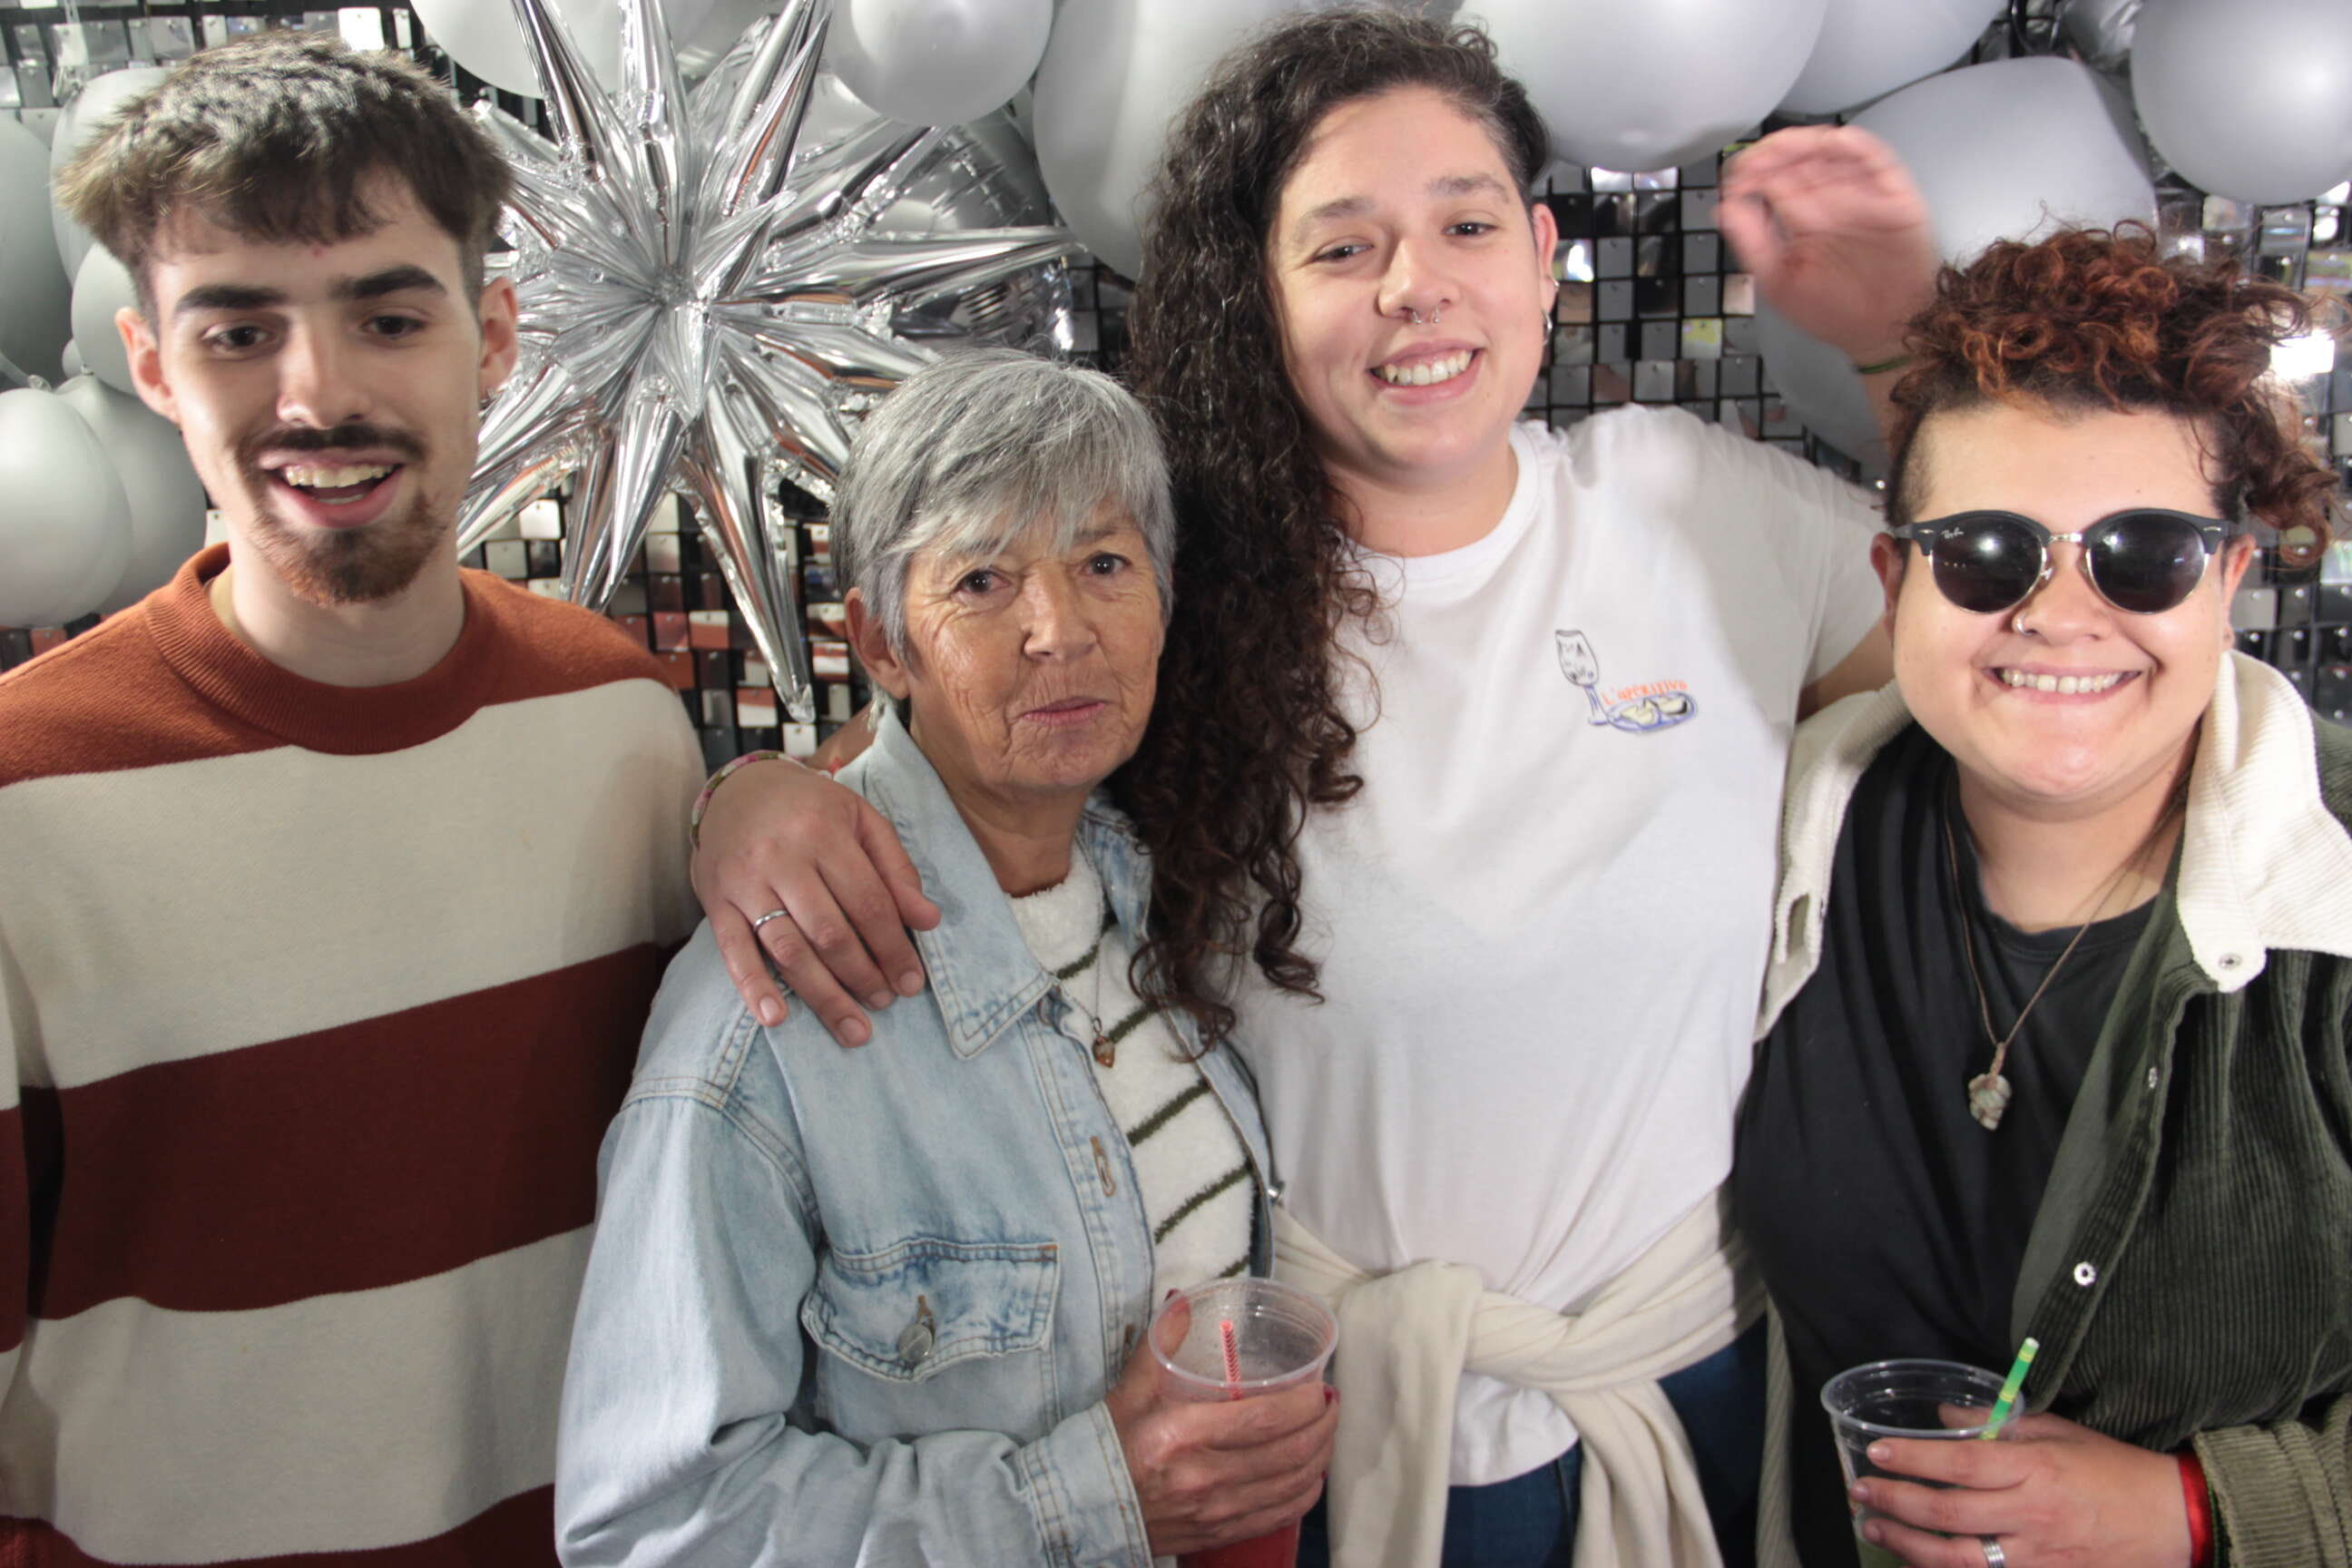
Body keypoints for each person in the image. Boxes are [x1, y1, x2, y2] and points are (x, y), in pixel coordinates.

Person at [688, 11, 1938, 1565]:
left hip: (1688, 1387)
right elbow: (935, 762)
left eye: (1467, 226)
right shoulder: (1168, 595)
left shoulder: (1699, 506)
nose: (1417, 285)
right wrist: (747, 802)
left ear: (1543, 255)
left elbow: (2009, 649)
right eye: (1343, 249)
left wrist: (1901, 346)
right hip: (1326, 1423)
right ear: (1262, 301)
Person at [0, 34, 704, 1564]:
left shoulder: (625, 726)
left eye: (387, 317)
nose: (316, 393)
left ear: (491, 337)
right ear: (149, 365)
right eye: (238, 330)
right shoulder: (20, 800)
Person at [554, 350, 1338, 1566]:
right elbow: (656, 1528)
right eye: (982, 580)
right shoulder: (769, 1012)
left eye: (1104, 564)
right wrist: (1093, 1498)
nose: (1059, 632)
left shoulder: (1155, 885)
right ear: (881, 642)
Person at [1733, 226, 2350, 1568]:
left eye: (2144, 554)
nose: (2061, 616)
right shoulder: (1775, 834)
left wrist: (2195, 1510)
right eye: (1986, 552)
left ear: (2229, 581)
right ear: (1896, 583)